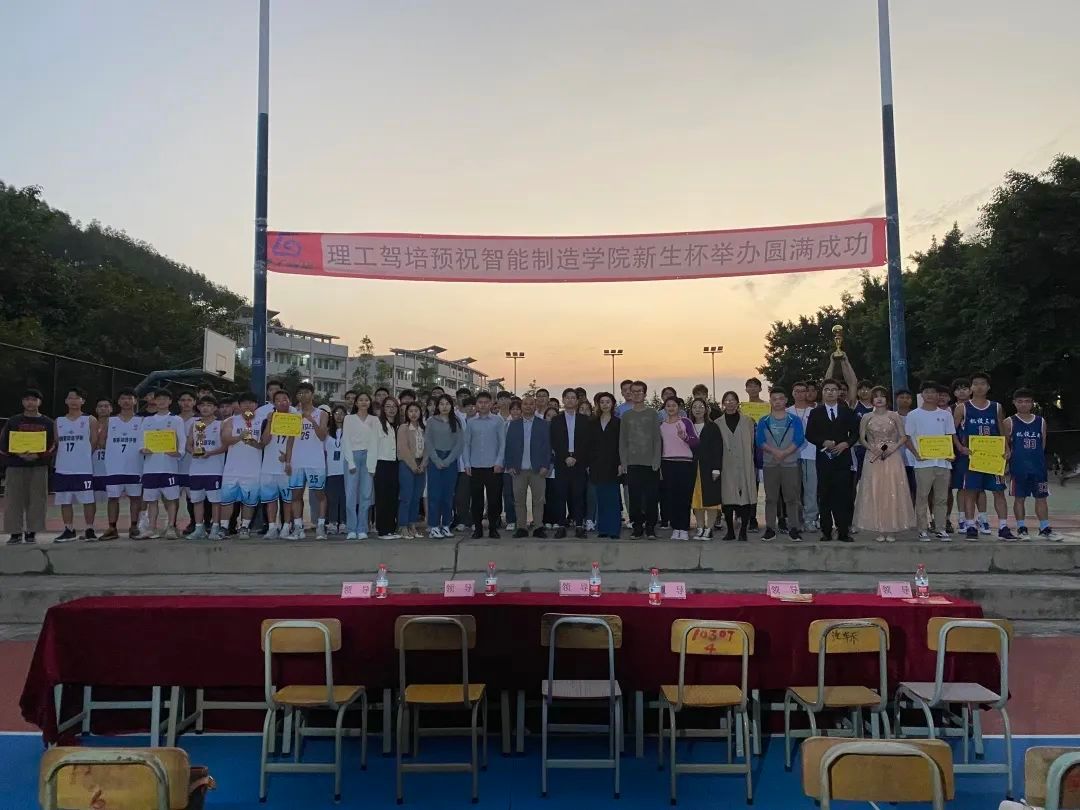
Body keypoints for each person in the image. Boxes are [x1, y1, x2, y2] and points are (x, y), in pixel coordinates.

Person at [955, 371, 1014, 540]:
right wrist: (960, 447)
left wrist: (1007, 448)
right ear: (971, 388)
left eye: (983, 384)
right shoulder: (962, 408)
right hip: (972, 457)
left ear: (988, 387)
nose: (979, 387)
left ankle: (1003, 527)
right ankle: (970, 525)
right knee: (970, 491)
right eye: (976, 384)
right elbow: (951, 431)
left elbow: (1001, 430)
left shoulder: (996, 407)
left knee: (999, 491)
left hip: (993, 457)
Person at [852, 387, 916, 542]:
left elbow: (903, 437)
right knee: (875, 489)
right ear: (872, 399)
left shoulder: (894, 416)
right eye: (876, 396)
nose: (879, 399)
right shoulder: (866, 417)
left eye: (882, 396)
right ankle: (879, 528)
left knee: (892, 489)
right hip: (873, 456)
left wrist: (893, 448)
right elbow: (861, 438)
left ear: (887, 399)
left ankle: (892, 528)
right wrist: (872, 448)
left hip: (892, 456)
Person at [805, 379, 859, 543]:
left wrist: (846, 444)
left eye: (833, 389)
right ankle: (826, 531)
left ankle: (843, 531)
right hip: (824, 460)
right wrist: (823, 442)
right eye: (827, 389)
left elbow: (855, 433)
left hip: (843, 460)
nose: (830, 392)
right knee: (824, 496)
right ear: (822, 392)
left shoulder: (847, 412)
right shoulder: (815, 412)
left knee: (843, 496)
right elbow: (809, 434)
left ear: (838, 392)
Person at [1, 389, 55, 545]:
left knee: (38, 500)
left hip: (38, 466)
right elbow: (3, 443)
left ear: (39, 402)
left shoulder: (48, 423)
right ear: (23, 402)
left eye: (34, 399)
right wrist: (17, 454)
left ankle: (32, 532)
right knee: (13, 500)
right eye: (27, 399)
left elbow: (53, 444)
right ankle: (15, 533)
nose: (30, 402)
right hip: (15, 466)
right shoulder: (13, 421)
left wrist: (39, 455)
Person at [905, 381, 955, 542]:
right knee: (922, 497)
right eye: (926, 392)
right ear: (922, 395)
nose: (930, 395)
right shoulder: (913, 415)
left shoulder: (946, 415)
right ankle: (922, 529)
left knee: (941, 498)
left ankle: (940, 528)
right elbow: (907, 438)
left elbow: (949, 437)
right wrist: (916, 454)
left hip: (943, 463)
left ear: (938, 395)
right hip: (923, 463)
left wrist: (950, 453)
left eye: (933, 392)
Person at [1005, 388, 1058, 540]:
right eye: (1020, 401)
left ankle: (1044, 528)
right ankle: (1021, 528)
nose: (1023, 404)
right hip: (1018, 468)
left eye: (1027, 401)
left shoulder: (1041, 421)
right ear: (1014, 403)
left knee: (1041, 497)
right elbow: (1004, 445)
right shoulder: (1009, 422)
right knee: (1019, 498)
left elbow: (1043, 444)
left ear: (1032, 403)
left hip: (1038, 468)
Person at [50, 387, 99, 542]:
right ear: (66, 401)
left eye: (77, 398)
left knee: (88, 499)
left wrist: (82, 456)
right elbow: (58, 442)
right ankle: (69, 529)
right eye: (70, 397)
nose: (73, 401)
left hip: (83, 468)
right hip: (63, 468)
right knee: (65, 500)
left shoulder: (90, 419)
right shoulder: (59, 421)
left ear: (82, 401)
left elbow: (94, 442)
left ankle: (89, 529)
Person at [756, 389, 804, 542]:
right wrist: (774, 451)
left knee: (792, 498)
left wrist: (785, 453)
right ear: (770, 401)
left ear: (786, 400)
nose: (777, 401)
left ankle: (794, 529)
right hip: (770, 464)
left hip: (790, 464)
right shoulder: (763, 421)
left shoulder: (794, 420)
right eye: (774, 399)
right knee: (770, 498)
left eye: (780, 398)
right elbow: (759, 440)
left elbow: (799, 439)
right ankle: (770, 529)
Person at [139, 389, 187, 539]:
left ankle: (171, 527)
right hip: (150, 467)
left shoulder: (176, 420)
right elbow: (141, 440)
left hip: (169, 466)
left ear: (170, 401)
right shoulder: (147, 420)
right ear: (154, 401)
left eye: (165, 399)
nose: (161, 402)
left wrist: (179, 452)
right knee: (151, 500)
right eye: (158, 399)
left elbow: (182, 439)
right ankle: (152, 528)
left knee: (171, 499)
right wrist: (143, 449)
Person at [619, 381, 662, 539]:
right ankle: (637, 527)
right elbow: (622, 441)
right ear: (630, 393)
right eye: (634, 391)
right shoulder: (626, 415)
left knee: (651, 497)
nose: (637, 394)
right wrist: (624, 461)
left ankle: (650, 527)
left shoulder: (652, 413)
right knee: (634, 498)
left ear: (645, 394)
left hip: (650, 463)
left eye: (640, 391)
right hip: (632, 463)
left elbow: (657, 439)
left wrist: (656, 460)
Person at [505, 394, 552, 538]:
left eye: (531, 404)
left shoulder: (543, 424)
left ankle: (538, 527)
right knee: (519, 500)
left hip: (538, 469)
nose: (528, 406)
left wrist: (546, 465)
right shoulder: (513, 425)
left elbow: (548, 447)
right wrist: (509, 465)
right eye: (525, 404)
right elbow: (509, 446)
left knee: (539, 500)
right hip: (518, 469)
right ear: (521, 406)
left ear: (535, 406)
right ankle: (522, 527)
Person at [550, 388, 593, 538]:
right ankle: (561, 526)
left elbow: (586, 442)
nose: (570, 400)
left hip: (579, 462)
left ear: (577, 401)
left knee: (578, 495)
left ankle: (579, 526)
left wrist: (576, 457)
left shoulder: (584, 420)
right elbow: (554, 441)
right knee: (560, 495)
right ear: (563, 400)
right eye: (567, 397)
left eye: (573, 398)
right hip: (561, 462)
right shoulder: (556, 420)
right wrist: (565, 457)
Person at [288, 382, 328, 539]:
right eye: (300, 393)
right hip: (297, 461)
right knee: (296, 495)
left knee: (320, 494)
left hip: (315, 461)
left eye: (306, 392)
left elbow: (322, 436)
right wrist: (288, 461)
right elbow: (290, 440)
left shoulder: (321, 414)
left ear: (312, 394)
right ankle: (298, 527)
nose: (303, 395)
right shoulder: (293, 415)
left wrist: (311, 420)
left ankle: (321, 526)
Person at [184, 396, 226, 540]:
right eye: (202, 405)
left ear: (215, 408)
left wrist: (210, 453)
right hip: (196, 469)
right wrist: (193, 452)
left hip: (214, 469)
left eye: (209, 405)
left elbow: (225, 446)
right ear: (198, 407)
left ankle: (215, 528)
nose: (205, 408)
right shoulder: (195, 424)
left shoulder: (221, 424)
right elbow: (188, 444)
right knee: (197, 500)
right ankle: (199, 528)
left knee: (215, 501)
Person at [464, 391, 505, 539]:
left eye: (486, 402)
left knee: (494, 500)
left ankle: (493, 528)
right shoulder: (471, 422)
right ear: (476, 404)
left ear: (491, 403)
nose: (483, 405)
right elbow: (466, 444)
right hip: (475, 466)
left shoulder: (498, 421)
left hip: (493, 467)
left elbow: (502, 443)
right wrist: (467, 463)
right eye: (480, 402)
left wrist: (499, 462)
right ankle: (478, 529)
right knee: (476, 501)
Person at [717, 392, 757, 541]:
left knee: (745, 497)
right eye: (727, 400)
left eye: (733, 400)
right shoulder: (717, 423)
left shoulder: (748, 421)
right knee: (727, 498)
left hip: (744, 463)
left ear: (737, 402)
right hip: (726, 464)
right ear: (723, 403)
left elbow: (752, 443)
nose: (730, 403)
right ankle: (730, 531)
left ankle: (743, 531)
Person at [424, 394, 464, 538]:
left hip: (450, 460)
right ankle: (434, 526)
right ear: (437, 406)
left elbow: (459, 444)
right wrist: (436, 460)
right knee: (435, 494)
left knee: (448, 495)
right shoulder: (431, 421)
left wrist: (448, 460)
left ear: (451, 406)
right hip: (435, 460)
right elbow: (428, 442)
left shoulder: (456, 421)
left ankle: (446, 525)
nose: (444, 406)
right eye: (441, 404)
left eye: (447, 404)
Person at [659, 396, 698, 540]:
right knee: (671, 497)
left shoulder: (686, 422)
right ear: (665, 408)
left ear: (679, 407)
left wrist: (685, 437)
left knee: (684, 497)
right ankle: (676, 528)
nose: (671, 408)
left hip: (685, 463)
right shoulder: (661, 425)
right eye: (668, 405)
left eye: (674, 405)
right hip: (667, 463)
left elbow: (696, 442)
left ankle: (684, 528)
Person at [259, 389, 296, 539]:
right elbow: (264, 441)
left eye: (285, 399)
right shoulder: (268, 419)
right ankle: (272, 527)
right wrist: (270, 421)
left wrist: (288, 460)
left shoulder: (294, 419)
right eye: (278, 400)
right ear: (273, 403)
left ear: (290, 401)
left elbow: (293, 441)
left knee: (287, 499)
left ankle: (286, 526)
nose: (282, 402)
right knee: (270, 499)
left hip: (286, 466)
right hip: (269, 465)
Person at [686, 398, 723, 539]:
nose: (698, 409)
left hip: (709, 469)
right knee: (696, 500)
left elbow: (717, 449)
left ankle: (709, 529)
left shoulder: (712, 427)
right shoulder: (689, 427)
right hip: (692, 468)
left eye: (701, 407)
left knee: (711, 500)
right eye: (694, 407)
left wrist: (716, 468)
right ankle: (700, 527)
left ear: (706, 409)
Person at [342, 392, 377, 540]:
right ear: (356, 403)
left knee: (366, 494)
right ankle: (351, 528)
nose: (363, 402)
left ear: (370, 403)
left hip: (368, 457)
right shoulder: (349, 419)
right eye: (360, 400)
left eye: (366, 400)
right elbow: (346, 440)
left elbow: (375, 442)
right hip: (352, 456)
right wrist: (350, 462)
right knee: (350, 494)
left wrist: (372, 465)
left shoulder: (374, 419)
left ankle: (362, 528)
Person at [587, 392, 621, 539]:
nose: (605, 404)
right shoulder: (592, 423)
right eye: (602, 402)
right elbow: (588, 445)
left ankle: (614, 530)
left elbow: (621, 444)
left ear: (612, 404)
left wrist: (620, 463)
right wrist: (589, 463)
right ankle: (603, 529)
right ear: (598, 404)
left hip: (613, 464)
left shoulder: (618, 422)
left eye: (608, 402)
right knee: (600, 497)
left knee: (612, 497)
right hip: (596, 464)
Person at [788, 381, 819, 533]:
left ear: (807, 393)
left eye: (802, 391)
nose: (800, 394)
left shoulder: (815, 412)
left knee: (811, 489)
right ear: (792, 393)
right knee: (793, 489)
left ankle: (810, 519)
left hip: (811, 454)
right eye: (797, 391)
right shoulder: (787, 412)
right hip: (790, 455)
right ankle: (795, 520)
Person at [369, 397, 401, 539]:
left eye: (394, 406)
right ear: (383, 409)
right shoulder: (377, 423)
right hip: (382, 464)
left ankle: (391, 529)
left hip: (395, 464)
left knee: (393, 497)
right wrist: (372, 468)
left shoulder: (400, 425)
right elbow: (373, 446)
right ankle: (383, 530)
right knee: (382, 498)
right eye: (388, 406)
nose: (391, 409)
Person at [396, 402, 427, 539]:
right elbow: (403, 449)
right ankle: (402, 526)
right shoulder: (403, 428)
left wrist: (423, 464)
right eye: (410, 411)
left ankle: (412, 525)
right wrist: (413, 466)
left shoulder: (423, 428)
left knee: (416, 497)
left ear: (421, 412)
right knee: (406, 497)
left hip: (421, 465)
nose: (413, 414)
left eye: (416, 411)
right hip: (407, 464)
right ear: (406, 413)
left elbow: (428, 448)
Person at [324, 405, 347, 535]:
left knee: (344, 497)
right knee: (332, 498)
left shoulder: (349, 431)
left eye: (342, 413)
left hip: (345, 469)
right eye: (337, 413)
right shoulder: (327, 432)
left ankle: (343, 522)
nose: (339, 416)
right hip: (331, 469)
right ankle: (332, 522)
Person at [894, 388, 918, 501]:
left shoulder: (917, 415)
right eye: (901, 397)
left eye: (908, 398)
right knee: (898, 490)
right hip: (896, 457)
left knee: (914, 488)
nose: (905, 400)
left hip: (914, 458)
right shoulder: (891, 417)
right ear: (896, 399)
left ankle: (912, 511)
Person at [542, 405, 561, 528]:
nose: (551, 418)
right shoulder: (541, 432)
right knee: (546, 494)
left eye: (554, 416)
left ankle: (557, 520)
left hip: (558, 467)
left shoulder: (562, 431)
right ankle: (546, 520)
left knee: (557, 495)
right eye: (548, 416)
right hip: (544, 467)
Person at [91, 396, 112, 506]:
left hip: (110, 468)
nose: (103, 408)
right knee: (91, 501)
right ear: (96, 409)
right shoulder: (90, 425)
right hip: (93, 468)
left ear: (111, 409)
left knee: (112, 501)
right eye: (100, 406)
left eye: (106, 406)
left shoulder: (116, 424)